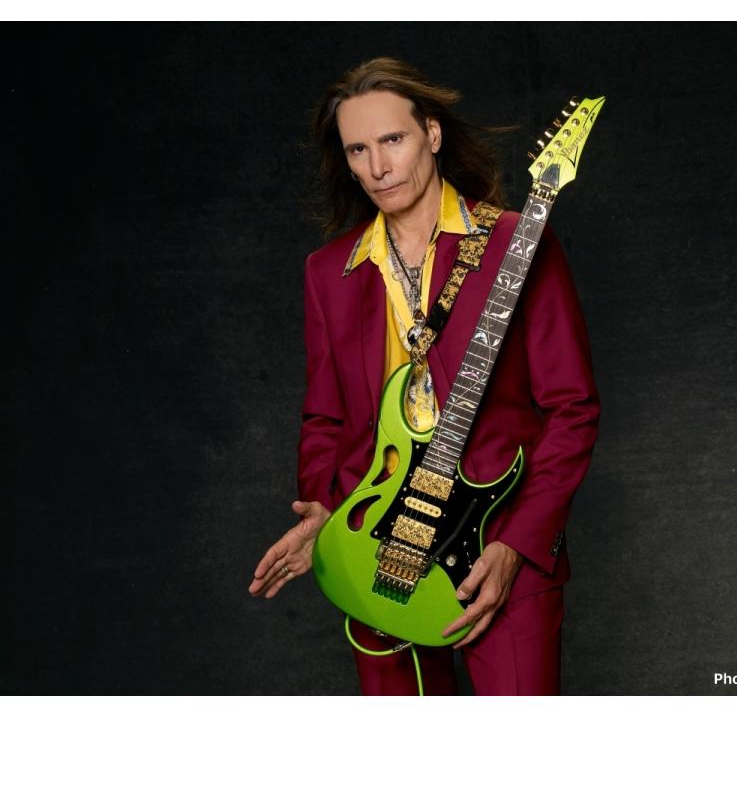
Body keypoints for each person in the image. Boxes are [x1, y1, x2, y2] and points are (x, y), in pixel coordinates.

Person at [248, 57, 600, 695]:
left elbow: (572, 408)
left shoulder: (517, 242)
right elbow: (325, 417)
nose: (377, 167)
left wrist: (517, 545)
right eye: (358, 150)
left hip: (498, 546)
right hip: (380, 550)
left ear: (432, 135)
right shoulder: (329, 272)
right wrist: (327, 511)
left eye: (393, 139)